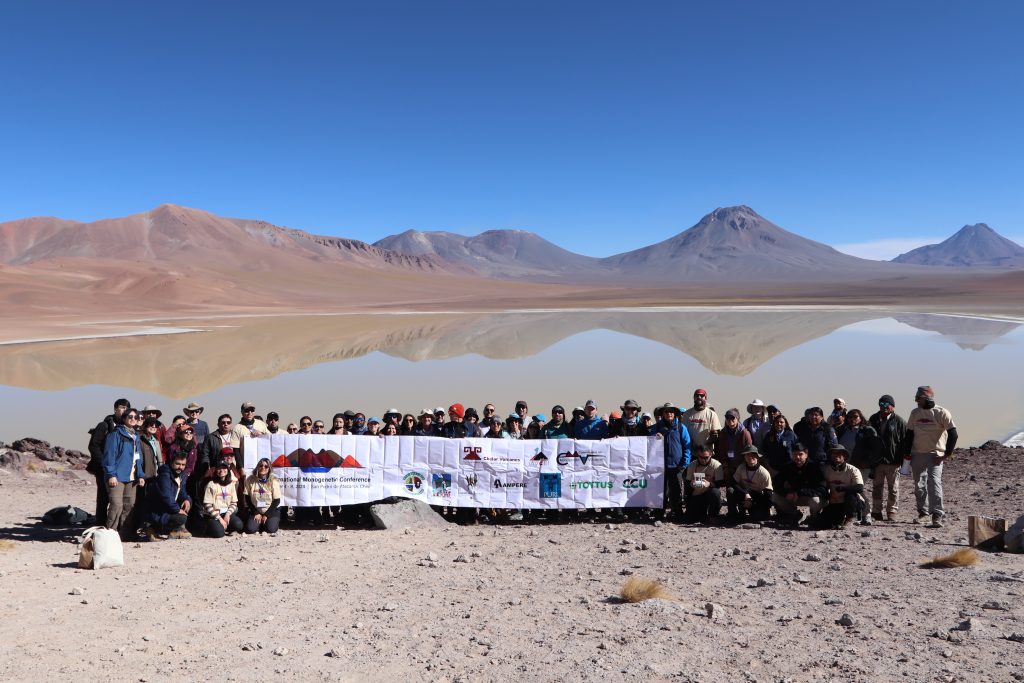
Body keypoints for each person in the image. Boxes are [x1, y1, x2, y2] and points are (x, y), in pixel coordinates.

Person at [905, 385, 957, 528]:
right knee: (919, 485)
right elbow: (909, 434)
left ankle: (937, 515)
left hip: (935, 454)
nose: (916, 400)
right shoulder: (915, 413)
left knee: (934, 483)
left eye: (918, 398)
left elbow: (953, 434)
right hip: (917, 454)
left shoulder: (941, 412)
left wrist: (946, 454)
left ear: (926, 398)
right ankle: (923, 513)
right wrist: (906, 454)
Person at [87, 397, 131, 526]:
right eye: (122, 407)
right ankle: (100, 525)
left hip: (120, 470)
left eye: (127, 408)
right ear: (115, 409)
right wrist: (104, 463)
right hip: (103, 469)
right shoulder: (104, 425)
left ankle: (117, 527)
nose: (124, 410)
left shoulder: (127, 427)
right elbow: (94, 445)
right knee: (103, 498)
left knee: (118, 499)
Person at [102, 408, 144, 539]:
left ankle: (125, 534)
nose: (133, 419)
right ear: (124, 418)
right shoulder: (115, 434)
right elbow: (109, 456)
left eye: (135, 417)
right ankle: (110, 534)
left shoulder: (136, 436)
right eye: (130, 416)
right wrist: (111, 474)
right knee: (116, 505)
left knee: (129, 505)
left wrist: (141, 475)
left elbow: (138, 458)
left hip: (132, 477)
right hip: (117, 476)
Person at [868, 394, 906, 522]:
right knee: (877, 488)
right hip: (877, 461)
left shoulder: (899, 421)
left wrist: (904, 459)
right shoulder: (873, 419)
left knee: (893, 488)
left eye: (886, 404)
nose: (884, 407)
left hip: (893, 461)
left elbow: (905, 441)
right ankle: (876, 511)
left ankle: (892, 512)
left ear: (892, 407)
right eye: (881, 404)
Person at [771, 443, 826, 527]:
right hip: (793, 497)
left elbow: (822, 489)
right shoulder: (788, 467)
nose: (797, 457)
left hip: (809, 497)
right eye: (795, 454)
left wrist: (800, 492)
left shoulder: (815, 467)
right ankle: (794, 514)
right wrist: (786, 493)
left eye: (800, 454)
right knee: (774, 496)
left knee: (816, 501)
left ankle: (814, 516)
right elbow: (776, 484)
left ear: (806, 455)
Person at [812, 445, 865, 530]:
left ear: (845, 456)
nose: (836, 456)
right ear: (830, 456)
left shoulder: (853, 470)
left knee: (850, 494)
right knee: (818, 525)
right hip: (834, 502)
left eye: (839, 453)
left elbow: (859, 487)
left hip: (852, 503)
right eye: (834, 454)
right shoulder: (826, 470)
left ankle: (850, 518)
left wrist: (842, 489)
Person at [654, 402, 692, 521]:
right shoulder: (656, 427)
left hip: (677, 466)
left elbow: (687, 446)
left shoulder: (681, 427)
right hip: (660, 466)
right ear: (663, 414)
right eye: (666, 411)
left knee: (676, 492)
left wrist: (684, 464)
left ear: (675, 413)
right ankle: (659, 515)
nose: (669, 413)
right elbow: (649, 443)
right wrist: (655, 437)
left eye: (671, 411)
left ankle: (678, 514)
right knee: (661, 492)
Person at [146, 450, 192, 540]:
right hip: (157, 512)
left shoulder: (180, 476)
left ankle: (177, 529)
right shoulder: (164, 476)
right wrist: (177, 510)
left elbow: (183, 493)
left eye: (183, 465)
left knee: (187, 504)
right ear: (171, 462)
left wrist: (187, 500)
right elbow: (166, 497)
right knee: (181, 518)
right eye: (177, 464)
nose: (180, 467)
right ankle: (152, 528)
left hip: (168, 509)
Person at [727, 446, 773, 523]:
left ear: (757, 457)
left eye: (753, 455)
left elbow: (768, 494)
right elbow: (733, 482)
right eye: (747, 455)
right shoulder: (741, 468)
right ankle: (733, 514)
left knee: (758, 517)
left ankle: (756, 511)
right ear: (744, 457)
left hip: (757, 498)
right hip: (744, 494)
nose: (750, 457)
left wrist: (752, 502)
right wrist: (745, 494)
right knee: (730, 490)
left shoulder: (763, 473)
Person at [683, 444, 725, 523]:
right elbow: (687, 483)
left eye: (706, 457)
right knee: (690, 520)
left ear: (711, 455)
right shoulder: (692, 465)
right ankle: (701, 514)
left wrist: (710, 484)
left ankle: (713, 515)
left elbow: (720, 483)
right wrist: (691, 484)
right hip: (696, 494)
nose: (703, 460)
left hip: (710, 493)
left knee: (716, 492)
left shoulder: (717, 465)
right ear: (697, 455)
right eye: (700, 457)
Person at [202, 460, 243, 538]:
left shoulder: (231, 484)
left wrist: (228, 514)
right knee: (219, 534)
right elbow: (207, 505)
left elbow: (234, 503)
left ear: (228, 470)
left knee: (239, 525)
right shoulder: (211, 484)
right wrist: (219, 518)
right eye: (219, 468)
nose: (221, 471)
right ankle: (210, 526)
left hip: (226, 513)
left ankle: (224, 527)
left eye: (224, 468)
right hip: (214, 515)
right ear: (216, 470)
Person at [243, 457, 282, 534]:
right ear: (257, 467)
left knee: (271, 529)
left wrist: (267, 515)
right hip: (256, 510)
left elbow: (277, 500)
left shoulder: (274, 481)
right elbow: (247, 498)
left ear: (269, 468)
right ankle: (259, 523)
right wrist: (255, 512)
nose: (263, 468)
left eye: (266, 466)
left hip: (270, 510)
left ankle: (268, 522)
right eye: (260, 465)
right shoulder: (250, 479)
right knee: (251, 529)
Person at [713, 409, 752, 480]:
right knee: (729, 488)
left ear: (737, 418)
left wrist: (744, 466)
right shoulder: (723, 433)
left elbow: (749, 451)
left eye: (732, 417)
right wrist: (725, 465)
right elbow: (721, 450)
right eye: (727, 417)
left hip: (742, 465)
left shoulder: (745, 433)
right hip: (728, 465)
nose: (730, 419)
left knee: (741, 487)